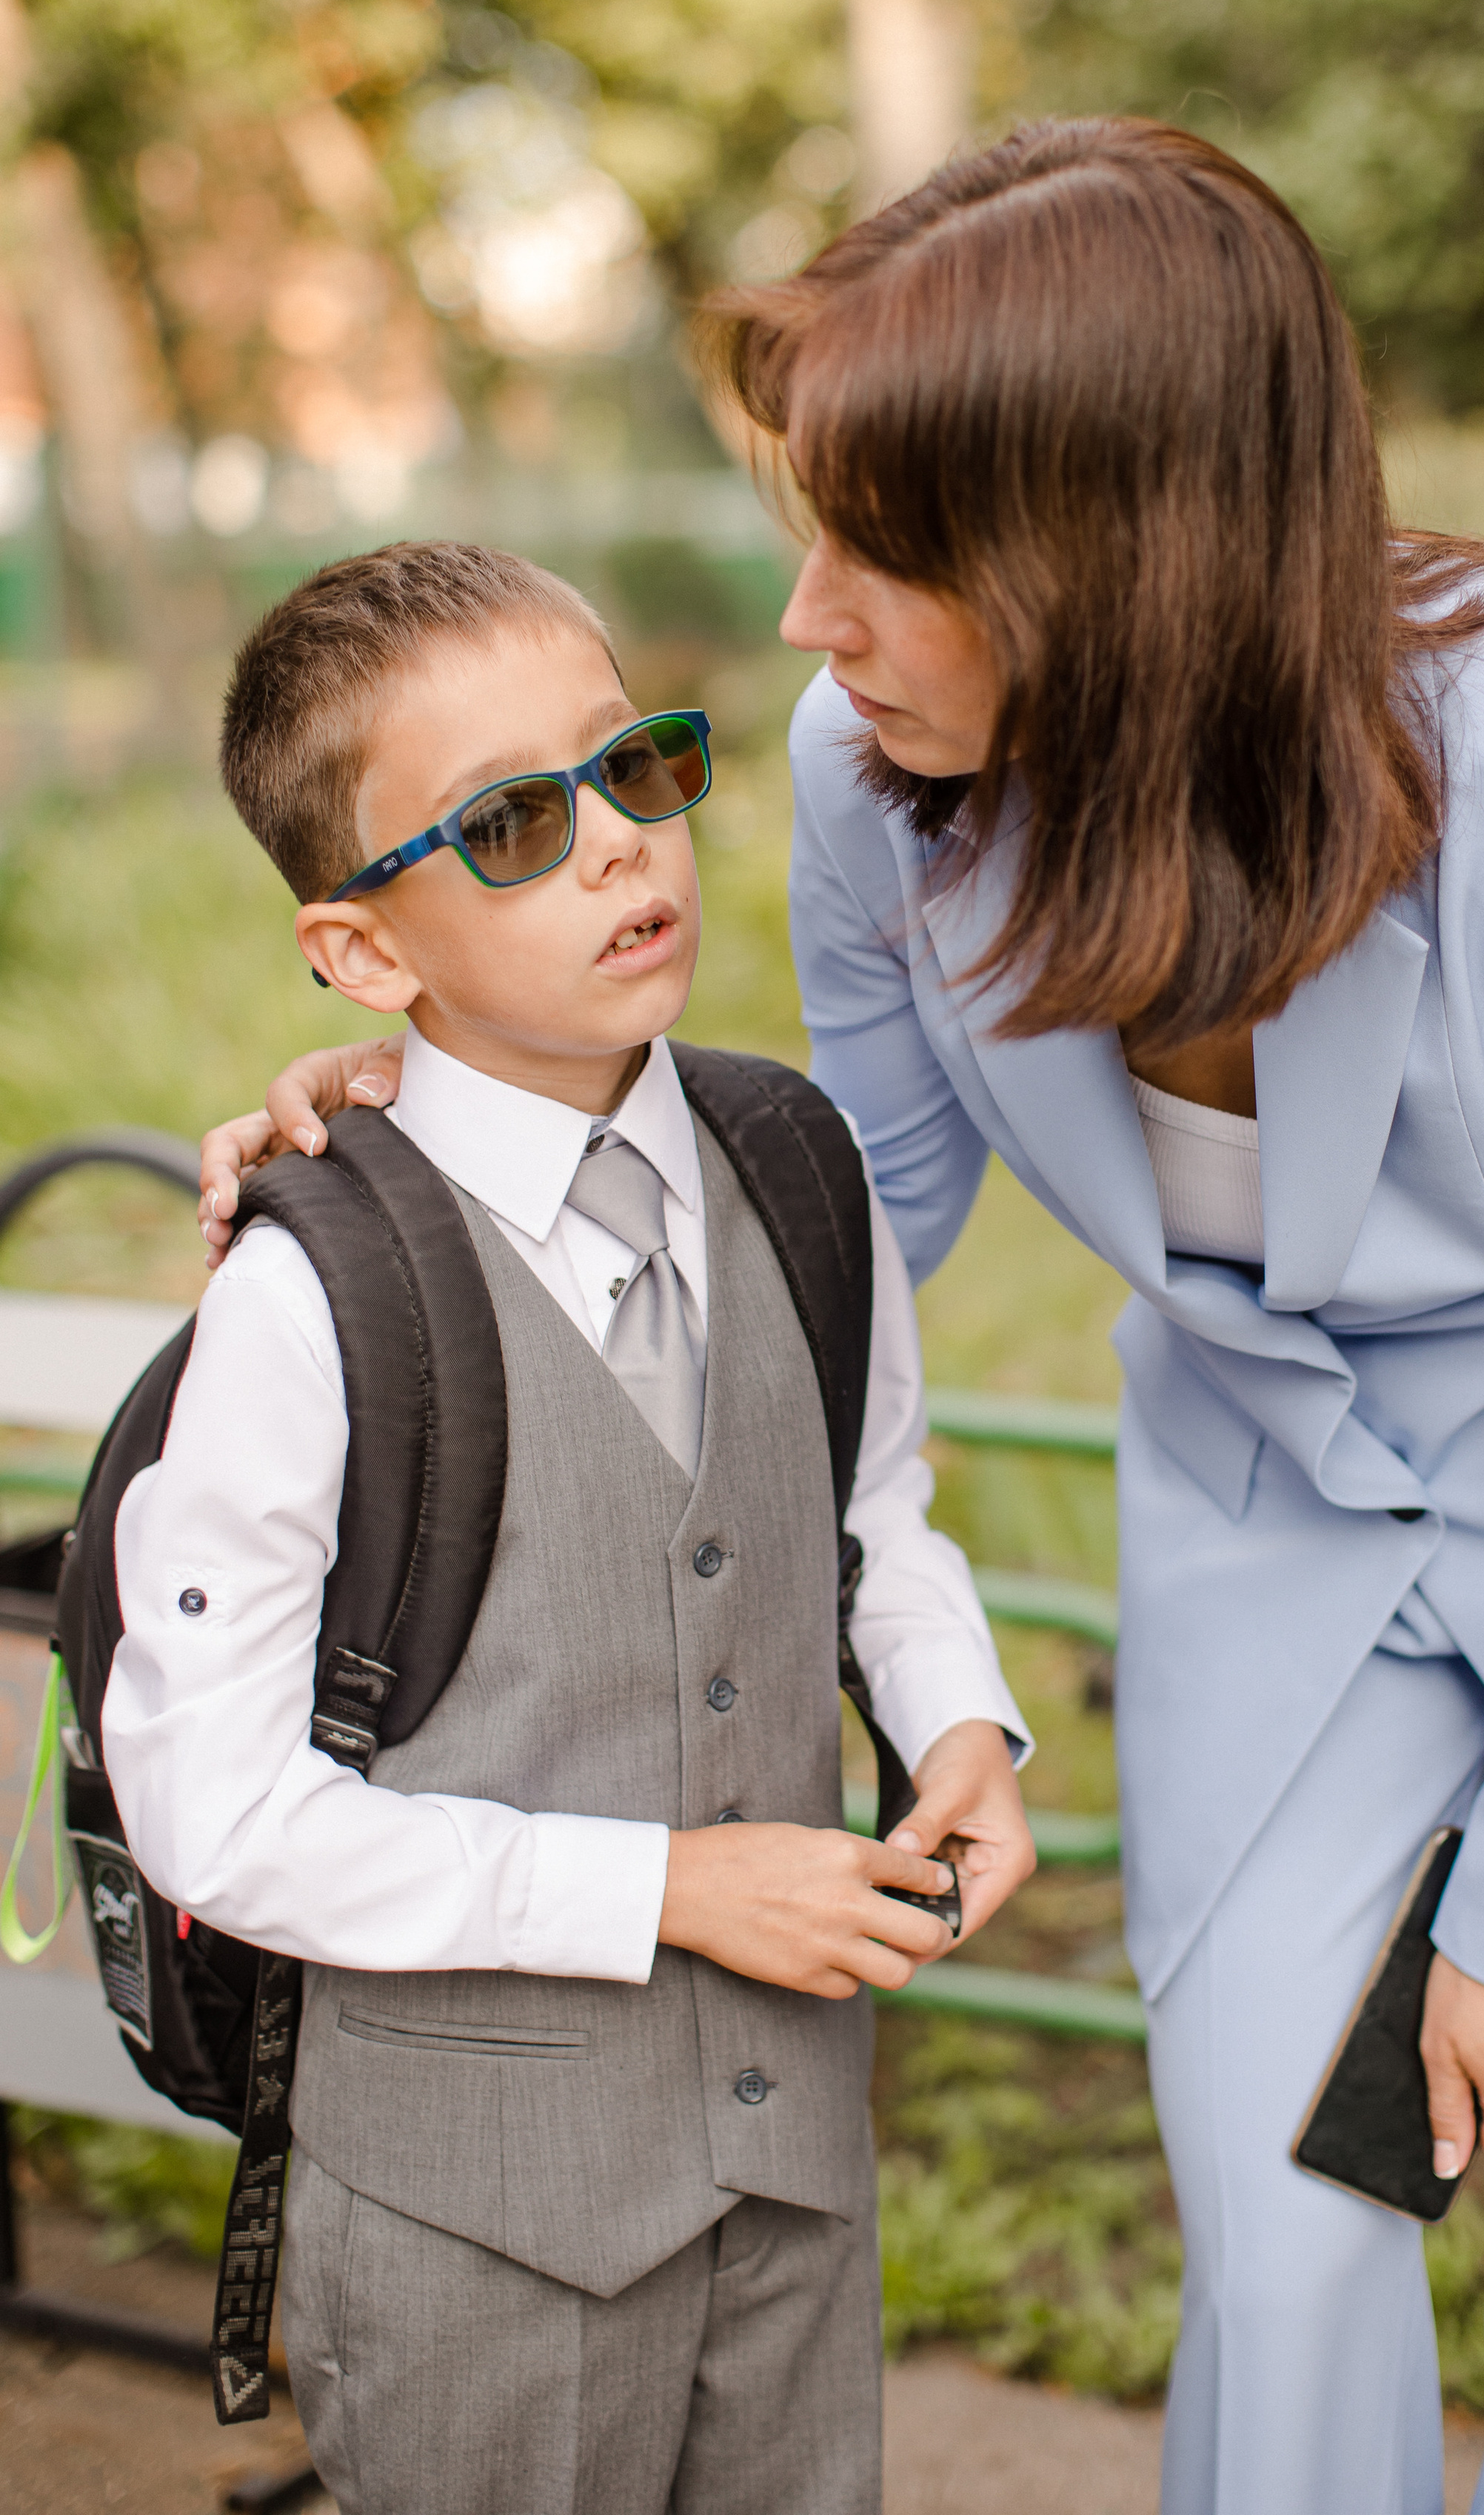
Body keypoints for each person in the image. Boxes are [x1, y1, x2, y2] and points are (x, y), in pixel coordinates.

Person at [202, 126, 1484, 2515]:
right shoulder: (883, 790)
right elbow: (849, 1213)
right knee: (1296, 2251)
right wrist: (438, 1129)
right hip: (1282, 1522)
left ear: (1115, 551)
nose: (809, 618)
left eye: (878, 555)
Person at [128, 539, 1034, 2515]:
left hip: (795, 2181)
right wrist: (669, 1892)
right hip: (477, 2242)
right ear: (365, 952)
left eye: (637, 769)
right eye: (518, 824)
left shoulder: (799, 1169)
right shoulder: (318, 1293)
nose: (623, 848)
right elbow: (218, 1812)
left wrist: (959, 1721)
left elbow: (870, 1514)